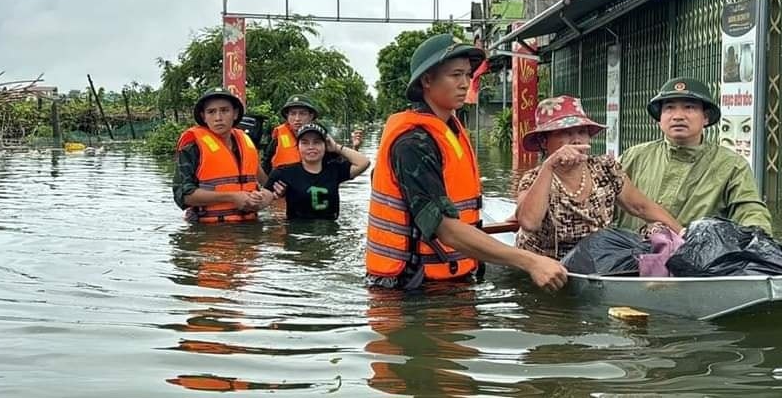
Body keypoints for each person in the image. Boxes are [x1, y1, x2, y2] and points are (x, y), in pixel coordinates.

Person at [365, 33, 568, 292]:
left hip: (450, 279)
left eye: (468, 75)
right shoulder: (412, 143)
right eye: (455, 75)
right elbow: (445, 229)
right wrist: (530, 261)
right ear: (427, 80)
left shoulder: (451, 131)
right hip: (408, 289)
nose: (465, 84)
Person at [513, 95, 682, 259]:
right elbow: (529, 223)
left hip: (597, 258)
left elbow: (641, 207)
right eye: (565, 133)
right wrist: (549, 166)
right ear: (544, 142)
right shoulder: (534, 178)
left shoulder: (605, 168)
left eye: (581, 132)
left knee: (659, 231)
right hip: (549, 265)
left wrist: (683, 235)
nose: (576, 140)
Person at [617, 77, 773, 234]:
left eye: (689, 107)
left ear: (705, 117)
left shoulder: (731, 165)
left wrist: (758, 238)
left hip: (696, 256)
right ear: (660, 119)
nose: (678, 116)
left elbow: (749, 210)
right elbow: (603, 201)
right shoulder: (634, 156)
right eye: (669, 108)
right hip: (630, 254)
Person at [172, 88, 275, 224]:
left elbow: (267, 185)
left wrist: (264, 198)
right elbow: (183, 195)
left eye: (225, 110)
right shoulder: (192, 148)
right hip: (207, 229)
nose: (218, 118)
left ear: (235, 113)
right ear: (203, 116)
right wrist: (231, 197)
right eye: (211, 112)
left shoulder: (246, 144)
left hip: (249, 227)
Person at [265, 122, 370, 220]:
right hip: (298, 234)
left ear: (325, 145)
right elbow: (263, 197)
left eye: (317, 142)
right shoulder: (283, 173)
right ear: (298, 146)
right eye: (305, 143)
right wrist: (270, 197)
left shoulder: (335, 170)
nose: (311, 147)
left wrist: (336, 147)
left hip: (330, 233)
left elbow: (364, 162)